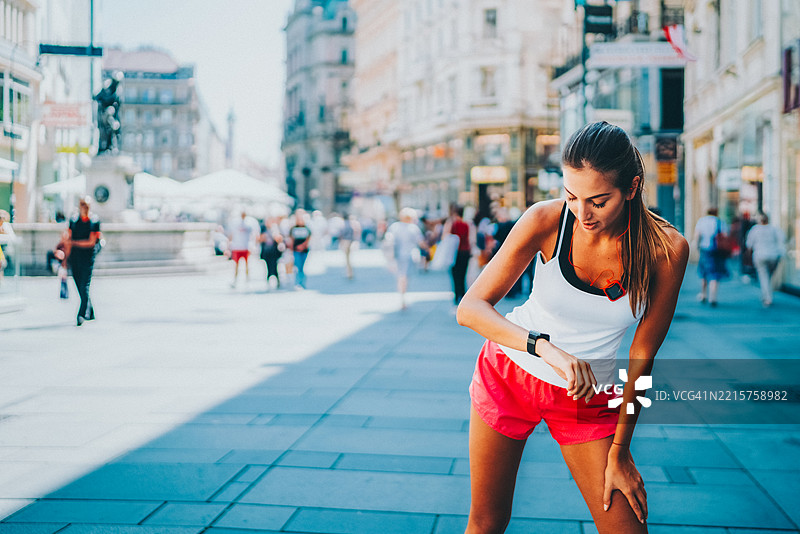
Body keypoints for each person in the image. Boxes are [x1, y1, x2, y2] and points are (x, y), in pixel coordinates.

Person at [456, 121, 689, 533]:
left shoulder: (666, 250)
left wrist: (620, 449)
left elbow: (642, 354)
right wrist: (545, 348)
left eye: (599, 201)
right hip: (509, 375)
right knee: (487, 523)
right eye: (572, 196)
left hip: (588, 399)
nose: (583, 214)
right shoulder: (546, 219)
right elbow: (471, 308)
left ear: (632, 188)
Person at [68, 197, 102, 326]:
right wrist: (66, 258)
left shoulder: (94, 221)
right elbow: (68, 238)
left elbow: (91, 242)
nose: (85, 207)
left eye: (87, 205)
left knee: (84, 286)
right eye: (82, 204)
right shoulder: (74, 220)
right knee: (79, 286)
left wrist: (74, 242)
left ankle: (81, 314)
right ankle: (91, 312)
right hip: (75, 257)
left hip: (87, 258)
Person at [385, 207, 426, 310]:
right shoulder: (413, 228)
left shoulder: (394, 227)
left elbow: (388, 240)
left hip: (398, 255)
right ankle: (403, 295)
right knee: (405, 277)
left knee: (401, 276)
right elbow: (420, 242)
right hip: (409, 255)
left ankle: (402, 295)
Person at [745, 213, 786, 307]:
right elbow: (782, 240)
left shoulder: (755, 229)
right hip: (773, 255)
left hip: (760, 255)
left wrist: (748, 255)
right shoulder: (774, 229)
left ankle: (767, 297)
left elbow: (749, 244)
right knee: (769, 276)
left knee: (764, 276)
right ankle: (767, 294)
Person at [693, 207, 728, 306]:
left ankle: (704, 294)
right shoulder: (720, 222)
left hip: (704, 249)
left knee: (703, 272)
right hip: (716, 250)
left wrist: (697, 246)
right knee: (714, 273)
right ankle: (713, 297)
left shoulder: (702, 221)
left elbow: (697, 235)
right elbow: (725, 236)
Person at [443, 204, 473, 305]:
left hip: (454, 253)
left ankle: (456, 296)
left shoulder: (451, 223)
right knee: (463, 275)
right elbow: (471, 239)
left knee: (455, 275)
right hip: (465, 252)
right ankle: (463, 295)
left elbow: (445, 236)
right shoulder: (467, 224)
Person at [228, 210, 260, 288]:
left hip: (246, 247)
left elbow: (254, 235)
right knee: (236, 265)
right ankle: (235, 280)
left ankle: (247, 280)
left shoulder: (249, 224)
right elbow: (231, 234)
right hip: (237, 247)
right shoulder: (236, 223)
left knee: (247, 265)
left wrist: (253, 245)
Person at [288, 209, 312, 289]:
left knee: (302, 267)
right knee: (297, 267)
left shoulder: (307, 228)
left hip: (304, 250)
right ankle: (297, 282)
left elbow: (308, 239)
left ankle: (302, 282)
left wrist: (302, 246)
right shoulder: (293, 228)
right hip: (296, 250)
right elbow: (291, 239)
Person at [258, 218, 284, 290]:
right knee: (268, 266)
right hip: (266, 252)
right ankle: (269, 279)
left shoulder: (275, 229)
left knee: (275, 266)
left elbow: (280, 238)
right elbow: (259, 239)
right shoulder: (263, 229)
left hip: (274, 252)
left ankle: (277, 279)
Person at [339, 213, 361, 279]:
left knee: (347, 259)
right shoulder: (351, 224)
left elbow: (341, 234)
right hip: (350, 241)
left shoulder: (343, 224)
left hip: (345, 241)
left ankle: (349, 273)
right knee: (348, 258)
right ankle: (350, 273)